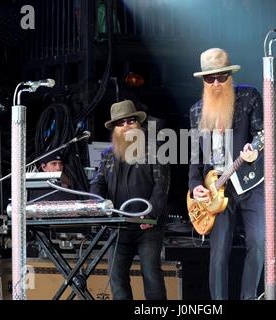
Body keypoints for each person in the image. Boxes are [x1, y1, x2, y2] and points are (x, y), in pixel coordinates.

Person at [188, 48, 265, 300]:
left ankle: (248, 298)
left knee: (258, 242)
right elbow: (195, 155)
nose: (216, 83)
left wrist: (254, 150)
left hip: (250, 182)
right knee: (218, 253)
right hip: (217, 187)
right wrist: (195, 185)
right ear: (203, 81)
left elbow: (261, 134)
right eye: (210, 79)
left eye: (221, 76)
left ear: (230, 75)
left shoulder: (248, 96)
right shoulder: (197, 111)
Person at [90, 100, 170, 300]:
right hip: (119, 227)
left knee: (151, 274)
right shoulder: (108, 155)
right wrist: (99, 206)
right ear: (115, 129)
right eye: (121, 122)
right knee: (116, 278)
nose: (126, 125)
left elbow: (162, 186)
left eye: (131, 120)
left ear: (138, 124)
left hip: (148, 227)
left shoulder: (154, 149)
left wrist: (150, 214)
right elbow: (97, 184)